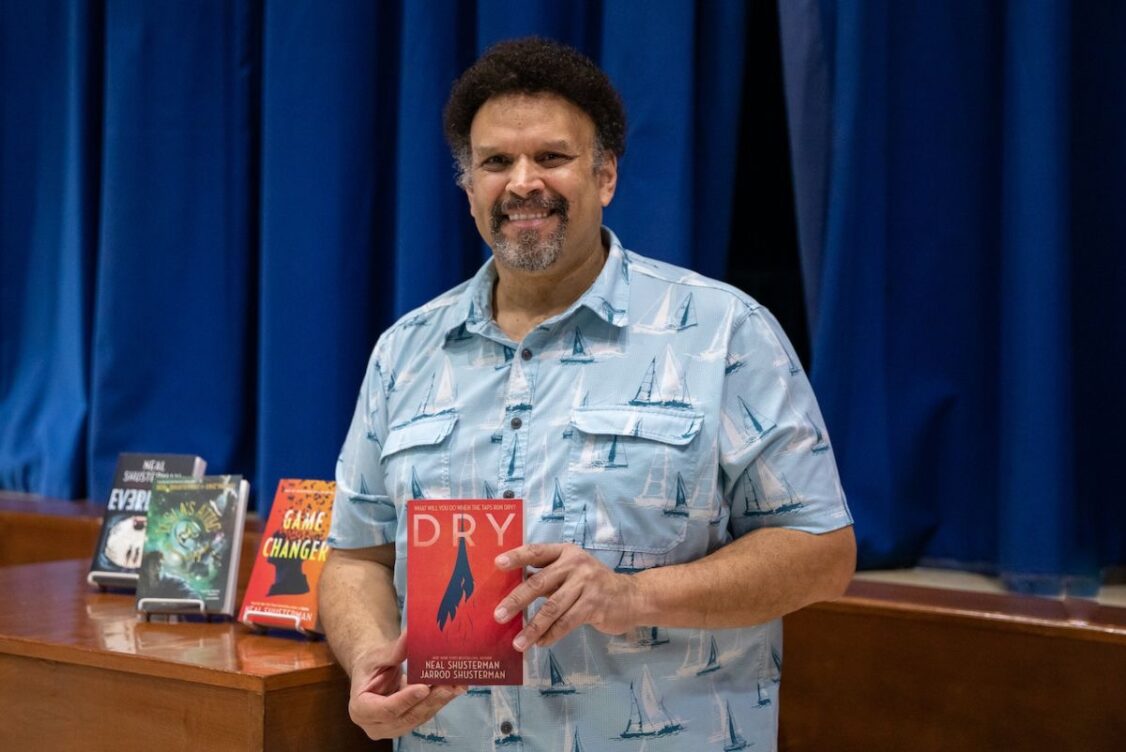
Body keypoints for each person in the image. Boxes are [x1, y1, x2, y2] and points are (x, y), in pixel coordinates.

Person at [321, 37, 855, 751]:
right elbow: (357, 558)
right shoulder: (405, 352)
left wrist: (634, 596)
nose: (521, 183)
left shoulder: (724, 332)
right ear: (468, 185)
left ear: (605, 175)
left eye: (551, 157)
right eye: (495, 162)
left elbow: (822, 552)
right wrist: (365, 661)